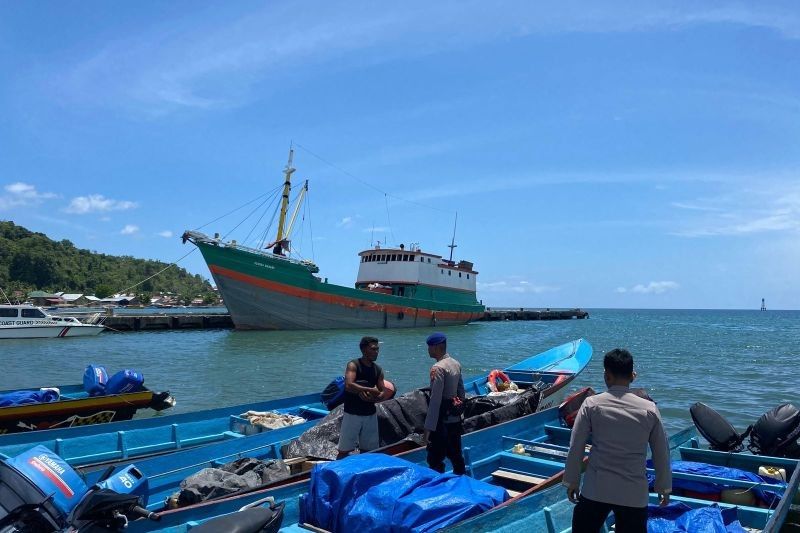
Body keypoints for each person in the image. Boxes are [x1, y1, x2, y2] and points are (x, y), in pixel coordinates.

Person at [563, 348, 672, 533]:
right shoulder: (649, 409)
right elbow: (661, 452)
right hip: (633, 493)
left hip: (596, 489)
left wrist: (571, 480)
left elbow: (576, 446)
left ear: (607, 376)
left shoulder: (591, 404)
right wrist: (664, 486)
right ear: (632, 376)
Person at [423, 332, 466, 475]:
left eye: (429, 347)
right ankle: (462, 483)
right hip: (455, 418)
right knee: (456, 456)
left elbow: (435, 401)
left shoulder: (438, 368)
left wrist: (428, 429)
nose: (428, 350)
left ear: (437, 348)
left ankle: (438, 489)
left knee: (435, 459)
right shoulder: (456, 364)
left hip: (441, 422)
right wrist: (461, 415)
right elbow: (461, 392)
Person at [337, 336, 386, 459]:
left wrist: (373, 399)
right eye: (373, 349)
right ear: (364, 350)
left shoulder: (378, 370)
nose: (376, 352)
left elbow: (382, 392)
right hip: (352, 414)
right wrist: (369, 390)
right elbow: (348, 385)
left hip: (370, 415)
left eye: (377, 349)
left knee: (370, 452)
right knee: (343, 451)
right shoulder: (353, 365)